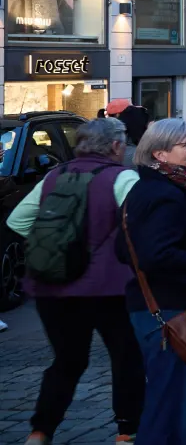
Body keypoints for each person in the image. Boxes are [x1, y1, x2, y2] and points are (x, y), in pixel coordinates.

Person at [7, 119, 143, 445]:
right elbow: (139, 225)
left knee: (67, 361)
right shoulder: (122, 177)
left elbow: (17, 220)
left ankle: (40, 431)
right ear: (115, 146)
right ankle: (127, 431)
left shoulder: (54, 176)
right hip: (109, 289)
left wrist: (59, 246)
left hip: (52, 288)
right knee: (126, 358)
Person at [117, 119, 186, 445]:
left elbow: (125, 248)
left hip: (160, 308)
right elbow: (156, 256)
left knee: (167, 402)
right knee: (169, 409)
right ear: (160, 153)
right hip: (167, 312)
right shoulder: (163, 194)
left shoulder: (151, 188)